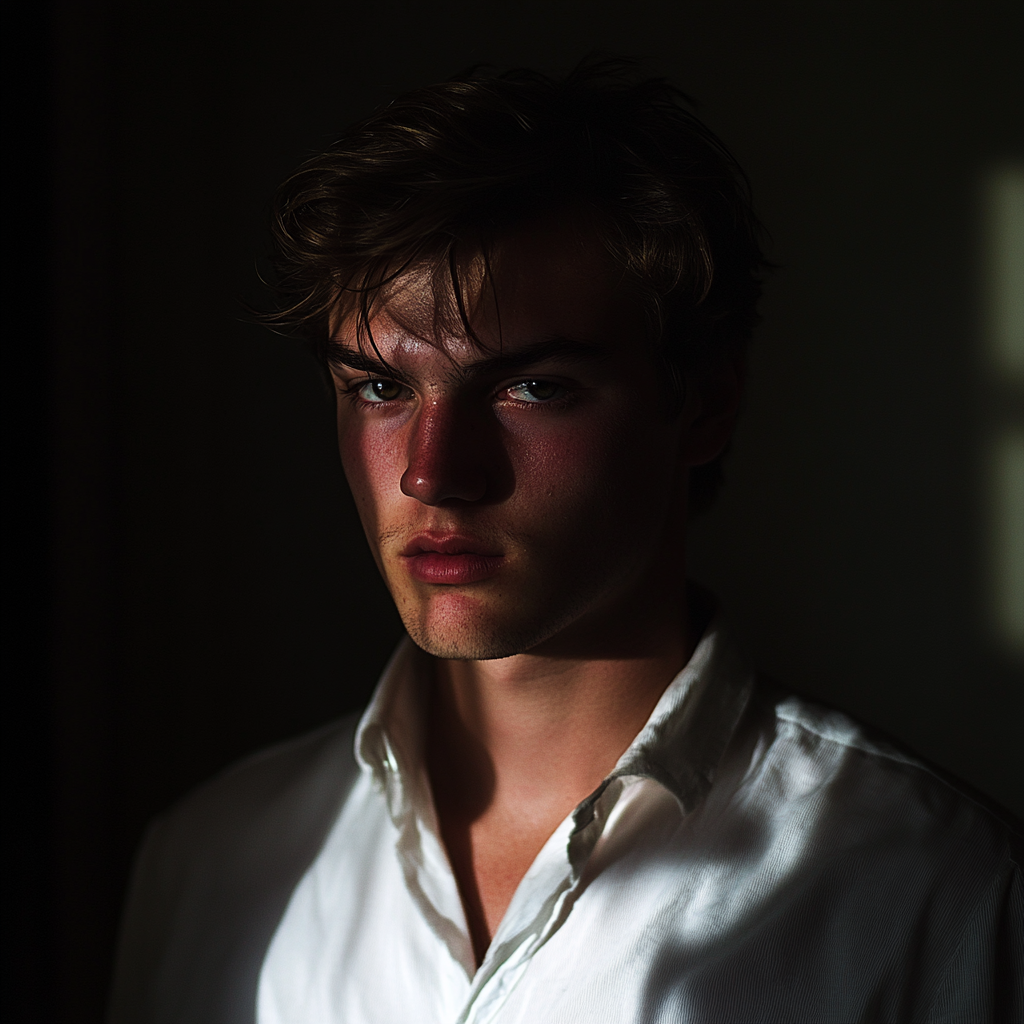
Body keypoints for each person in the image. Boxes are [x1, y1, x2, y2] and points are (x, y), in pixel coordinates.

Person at [108, 61, 1022, 1024]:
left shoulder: (943, 894)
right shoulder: (209, 862)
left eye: (531, 387)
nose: (433, 472)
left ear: (704, 404)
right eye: (382, 388)